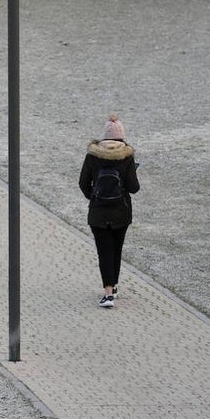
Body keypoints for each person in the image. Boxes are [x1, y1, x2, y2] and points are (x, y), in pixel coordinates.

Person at [79, 113, 140, 308]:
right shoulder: (127, 157)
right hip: (121, 212)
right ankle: (113, 287)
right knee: (116, 249)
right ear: (122, 137)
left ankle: (108, 292)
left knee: (104, 251)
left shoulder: (92, 156)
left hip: (98, 214)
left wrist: (94, 197)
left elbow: (83, 183)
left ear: (104, 136)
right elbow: (134, 188)